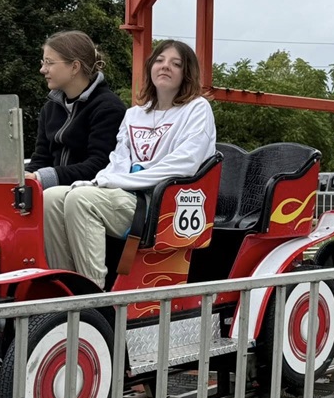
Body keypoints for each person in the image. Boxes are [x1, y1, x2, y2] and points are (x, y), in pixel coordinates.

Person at [42, 40, 217, 288]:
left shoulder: (197, 109)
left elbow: (184, 165)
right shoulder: (135, 113)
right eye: (159, 60)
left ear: (186, 73)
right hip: (125, 196)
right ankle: (67, 284)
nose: (165, 67)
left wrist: (117, 181)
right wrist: (97, 181)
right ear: (150, 68)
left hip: (160, 202)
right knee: (51, 197)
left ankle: (92, 292)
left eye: (176, 64)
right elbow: (119, 161)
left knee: (81, 200)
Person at [24, 31, 126, 189]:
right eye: (42, 62)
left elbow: (99, 165)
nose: (42, 70)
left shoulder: (108, 108)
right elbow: (40, 159)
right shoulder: (50, 108)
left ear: (74, 67)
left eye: (49, 63)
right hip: (53, 192)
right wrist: (24, 177)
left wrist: (42, 177)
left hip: (88, 194)